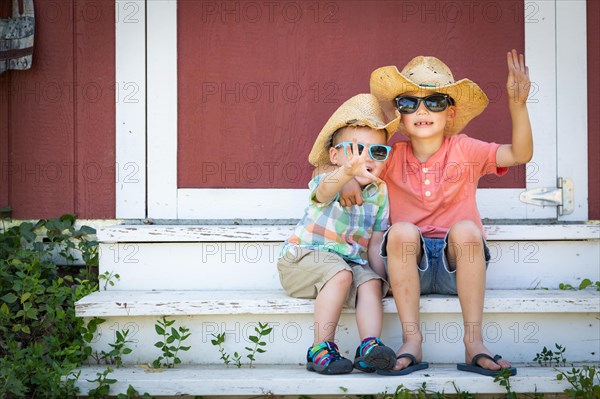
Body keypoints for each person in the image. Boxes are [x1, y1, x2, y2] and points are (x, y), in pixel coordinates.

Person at [342, 50, 532, 376]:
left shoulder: (465, 149)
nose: (421, 111)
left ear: (451, 113)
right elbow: (354, 169)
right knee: (400, 230)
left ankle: (474, 343)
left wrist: (518, 105)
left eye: (435, 102)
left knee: (467, 230)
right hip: (406, 264)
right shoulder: (391, 156)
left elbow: (519, 153)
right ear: (399, 117)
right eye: (409, 103)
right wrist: (347, 180)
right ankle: (411, 341)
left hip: (456, 266)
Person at [277, 94, 400, 375]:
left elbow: (375, 242)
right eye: (356, 150)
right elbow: (324, 191)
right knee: (341, 274)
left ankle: (370, 346)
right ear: (335, 156)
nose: (365, 158)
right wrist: (345, 176)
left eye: (377, 152)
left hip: (348, 265)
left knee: (370, 282)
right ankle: (321, 347)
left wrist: (384, 277)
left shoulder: (379, 192)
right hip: (302, 260)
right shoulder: (327, 179)